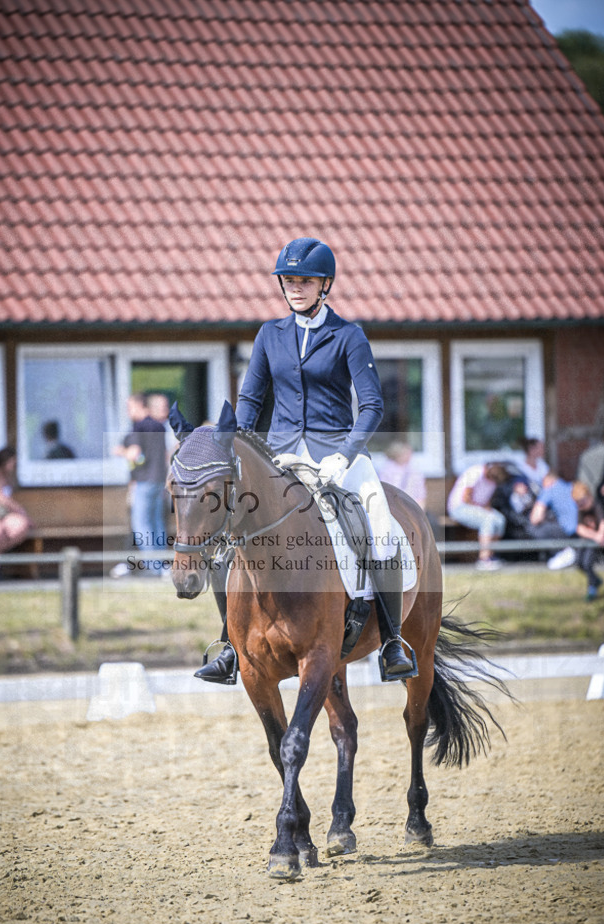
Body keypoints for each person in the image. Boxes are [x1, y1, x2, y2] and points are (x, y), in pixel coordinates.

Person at [196, 236, 414, 685]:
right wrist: (237, 453)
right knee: (232, 536)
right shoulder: (269, 335)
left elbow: (371, 406)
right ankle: (229, 646)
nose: (295, 287)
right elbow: (251, 401)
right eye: (289, 280)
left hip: (340, 455)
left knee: (379, 523)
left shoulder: (348, 335)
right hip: (280, 457)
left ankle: (392, 641)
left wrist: (344, 456)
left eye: (304, 280)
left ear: (324, 284)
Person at [111, 392, 168, 578]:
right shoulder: (159, 426)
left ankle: (154, 567)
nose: (128, 412)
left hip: (144, 482)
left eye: (130, 407)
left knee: (141, 525)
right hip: (160, 481)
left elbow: (135, 455)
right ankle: (163, 564)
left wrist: (120, 451)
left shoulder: (139, 427)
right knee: (157, 525)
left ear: (139, 406)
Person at [446, 462, 508, 569]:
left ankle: (491, 555)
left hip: (478, 508)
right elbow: (466, 498)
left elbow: (486, 500)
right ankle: (483, 559)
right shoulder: (476, 472)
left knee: (500, 519)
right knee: (488, 519)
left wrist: (485, 508)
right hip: (459, 508)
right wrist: (482, 509)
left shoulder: (493, 481)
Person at [529, 472, 579, 569]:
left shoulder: (549, 490)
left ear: (549, 480)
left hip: (567, 531)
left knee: (534, 529)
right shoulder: (572, 486)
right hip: (581, 529)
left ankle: (563, 551)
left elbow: (535, 518)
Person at [572, 481, 604, 601]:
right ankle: (596, 580)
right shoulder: (581, 510)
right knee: (578, 562)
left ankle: (592, 589)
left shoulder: (597, 506)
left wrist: (599, 535)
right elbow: (579, 528)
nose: (580, 506)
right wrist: (595, 535)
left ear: (588, 497)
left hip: (596, 543)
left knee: (588, 563)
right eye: (578, 503)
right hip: (588, 540)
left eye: (582, 502)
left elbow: (603, 523)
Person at [378, 439, 427, 509]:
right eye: (405, 453)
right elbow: (386, 492)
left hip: (413, 507)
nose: (409, 456)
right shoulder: (386, 470)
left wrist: (419, 509)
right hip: (393, 507)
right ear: (397, 454)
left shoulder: (414, 471)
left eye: (410, 453)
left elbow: (421, 494)